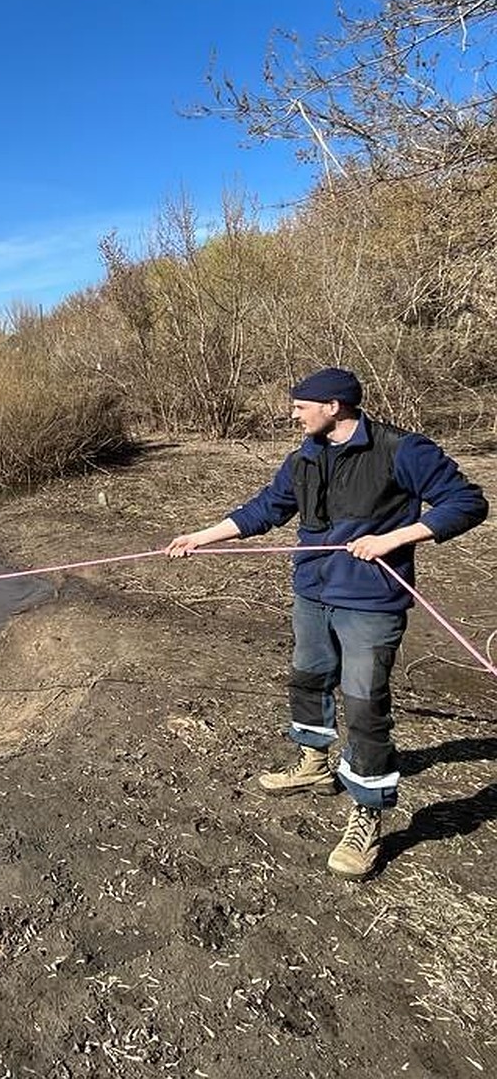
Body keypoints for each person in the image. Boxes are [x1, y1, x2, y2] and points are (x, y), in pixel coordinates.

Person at [165, 367, 487, 881]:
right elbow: (266, 510)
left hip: (370, 601)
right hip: (312, 594)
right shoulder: (305, 456)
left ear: (333, 406)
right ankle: (314, 764)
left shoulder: (401, 449)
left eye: (300, 404)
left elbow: (468, 503)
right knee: (309, 679)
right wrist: (201, 537)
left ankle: (368, 811)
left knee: (363, 705)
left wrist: (394, 539)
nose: (292, 412)